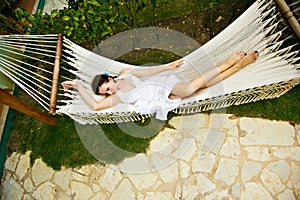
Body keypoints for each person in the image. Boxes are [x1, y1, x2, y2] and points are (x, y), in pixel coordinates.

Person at [62, 50, 259, 120]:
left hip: (165, 83)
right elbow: (95, 106)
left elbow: (146, 72)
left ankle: (226, 63)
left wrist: (167, 66)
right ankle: (237, 66)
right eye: (105, 92)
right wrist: (78, 86)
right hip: (165, 96)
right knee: (202, 88)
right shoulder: (117, 97)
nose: (109, 90)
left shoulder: (123, 74)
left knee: (191, 89)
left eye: (107, 85)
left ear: (110, 79)